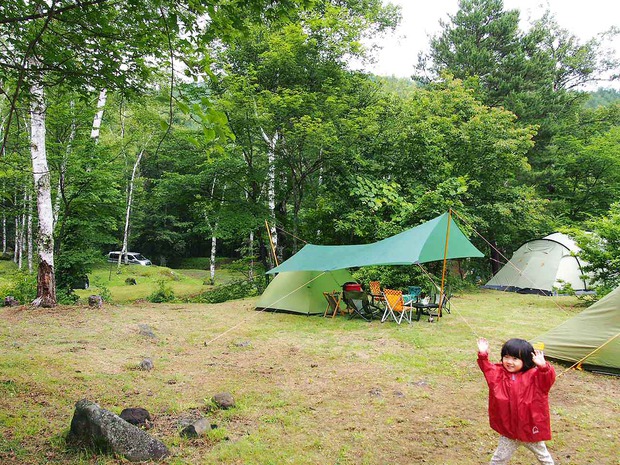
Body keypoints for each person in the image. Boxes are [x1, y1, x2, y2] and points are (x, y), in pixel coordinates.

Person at [477, 337, 556, 465]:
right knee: (498, 459)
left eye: (515, 358)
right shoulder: (497, 374)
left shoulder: (536, 376)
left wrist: (543, 367)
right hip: (509, 433)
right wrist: (483, 354)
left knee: (544, 457)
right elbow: (486, 367)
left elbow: (548, 378)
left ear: (526, 360)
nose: (509, 362)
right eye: (506, 357)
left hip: (530, 430)